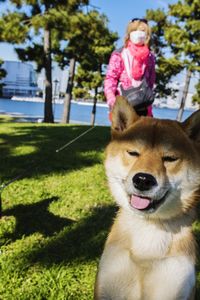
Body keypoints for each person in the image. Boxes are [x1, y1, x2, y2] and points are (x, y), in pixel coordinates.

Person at [104, 18, 156, 118]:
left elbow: (151, 81)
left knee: (143, 132)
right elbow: (111, 79)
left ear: (147, 35)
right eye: (135, 30)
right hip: (123, 105)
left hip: (144, 106)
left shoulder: (150, 57)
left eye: (142, 31)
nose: (139, 34)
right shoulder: (119, 54)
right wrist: (112, 100)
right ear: (129, 33)